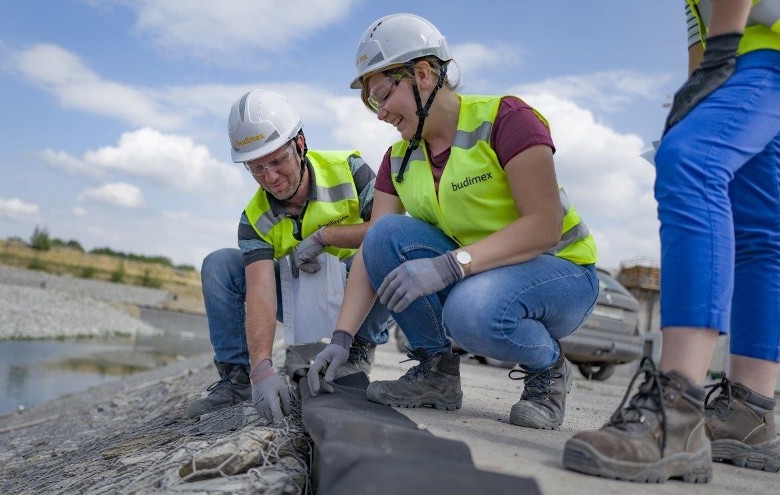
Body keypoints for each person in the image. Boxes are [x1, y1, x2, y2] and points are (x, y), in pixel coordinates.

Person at [306, 13, 599, 431]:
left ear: (423, 75)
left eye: (383, 96)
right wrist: (341, 339)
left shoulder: (506, 119)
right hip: (483, 271)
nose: (379, 112)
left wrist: (448, 265)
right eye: (371, 102)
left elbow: (544, 226)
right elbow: (377, 242)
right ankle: (436, 374)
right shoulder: (399, 158)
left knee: (470, 311)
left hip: (561, 273)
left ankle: (548, 370)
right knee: (388, 233)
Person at [564, 0, 779, 482]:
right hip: (753, 51)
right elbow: (697, 31)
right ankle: (750, 411)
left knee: (691, 161)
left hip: (762, 54)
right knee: (762, 228)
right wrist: (698, 86)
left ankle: (676, 410)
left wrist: (721, 53)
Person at [186, 89, 391, 423]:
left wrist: (326, 236)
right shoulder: (253, 219)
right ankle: (236, 379)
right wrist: (261, 368)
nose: (270, 178)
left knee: (384, 250)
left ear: (299, 144)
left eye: (277, 161)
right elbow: (261, 292)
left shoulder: (349, 171)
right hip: (298, 301)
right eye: (256, 168)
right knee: (220, 264)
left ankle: (358, 350)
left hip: (359, 292)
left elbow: (388, 231)